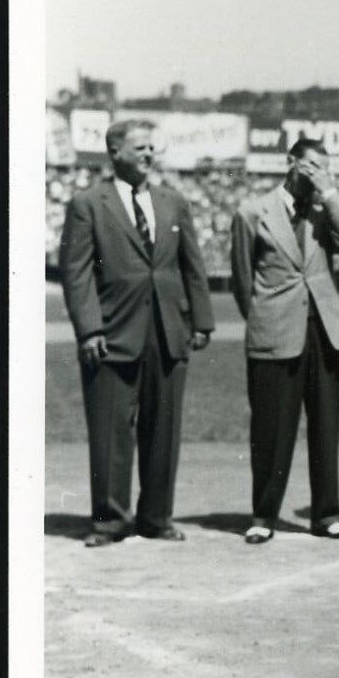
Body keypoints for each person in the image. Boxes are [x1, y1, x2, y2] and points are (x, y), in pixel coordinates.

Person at [58, 120, 214, 547]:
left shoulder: (173, 202)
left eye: (151, 147)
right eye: (140, 147)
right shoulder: (88, 203)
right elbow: (77, 274)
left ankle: (157, 518)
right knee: (111, 431)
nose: (149, 154)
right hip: (112, 333)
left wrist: (201, 322)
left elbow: (192, 266)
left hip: (168, 332)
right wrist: (89, 329)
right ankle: (110, 520)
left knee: (163, 430)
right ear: (115, 152)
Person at [229, 137, 339, 544]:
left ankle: (327, 514)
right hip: (275, 330)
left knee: (325, 426)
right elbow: (242, 280)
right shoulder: (253, 211)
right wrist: (266, 317)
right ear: (290, 163)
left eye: (324, 167)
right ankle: (263, 515)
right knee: (271, 430)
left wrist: (331, 191)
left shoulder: (326, 209)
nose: (315, 174)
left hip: (323, 330)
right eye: (309, 166)